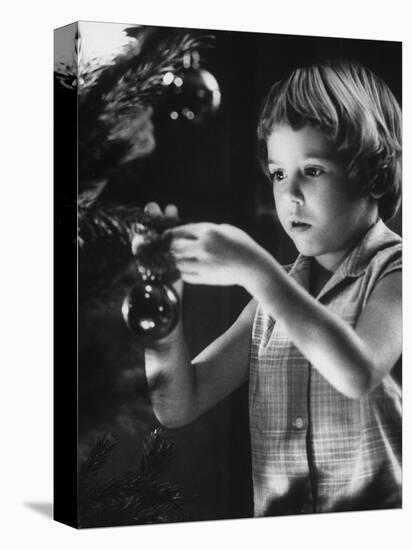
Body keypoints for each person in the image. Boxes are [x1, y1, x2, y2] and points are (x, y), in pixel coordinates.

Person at [142, 59, 402, 515]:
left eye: (313, 170)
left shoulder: (397, 270)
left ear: (374, 173)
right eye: (279, 173)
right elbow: (176, 405)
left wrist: (255, 270)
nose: (290, 195)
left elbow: (357, 373)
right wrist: (163, 307)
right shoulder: (272, 298)